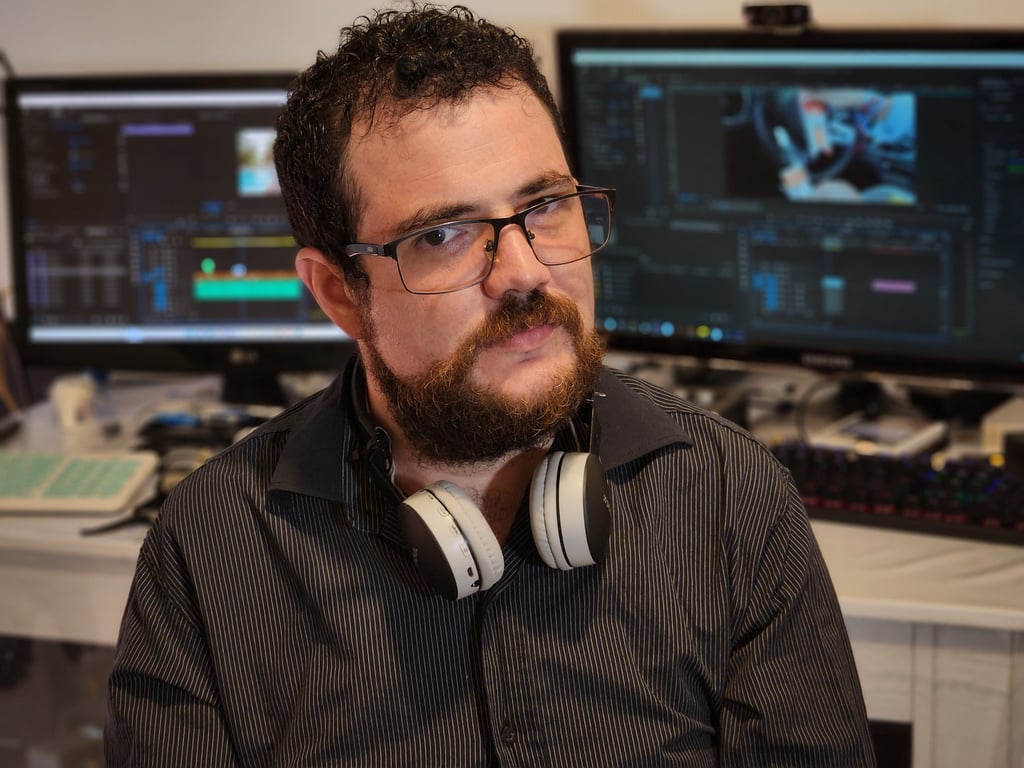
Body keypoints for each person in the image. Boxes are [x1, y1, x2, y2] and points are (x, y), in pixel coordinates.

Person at [105, 4, 877, 765]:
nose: (524, 272)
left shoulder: (728, 496)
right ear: (340, 292)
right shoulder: (210, 549)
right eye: (443, 234)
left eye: (544, 206)